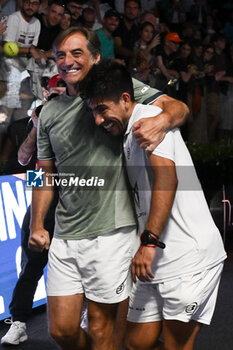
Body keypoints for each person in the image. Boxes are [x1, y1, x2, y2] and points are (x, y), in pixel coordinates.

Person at [28, 26, 189, 350]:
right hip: (65, 235)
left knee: (102, 330)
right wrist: (37, 224)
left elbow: (179, 108)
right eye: (61, 55)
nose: (67, 61)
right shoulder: (49, 112)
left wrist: (162, 120)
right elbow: (43, 174)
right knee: (61, 330)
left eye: (77, 53)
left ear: (95, 57)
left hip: (112, 233)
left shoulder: (115, 90)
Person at [79, 58, 227, 350]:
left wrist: (148, 242)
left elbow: (167, 179)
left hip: (188, 257)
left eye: (102, 110)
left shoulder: (147, 122)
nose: (97, 119)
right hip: (154, 261)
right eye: (92, 111)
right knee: (136, 342)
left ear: (125, 99)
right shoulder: (128, 129)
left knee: (175, 345)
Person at [0, 76, 66, 346]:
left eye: (64, 87)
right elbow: (24, 159)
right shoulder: (37, 118)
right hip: (42, 188)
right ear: (48, 91)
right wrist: (36, 128)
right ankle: (19, 322)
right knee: (31, 264)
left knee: (80, 260)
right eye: (56, 88)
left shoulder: (83, 115)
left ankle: (86, 314)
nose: (60, 92)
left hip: (77, 191)